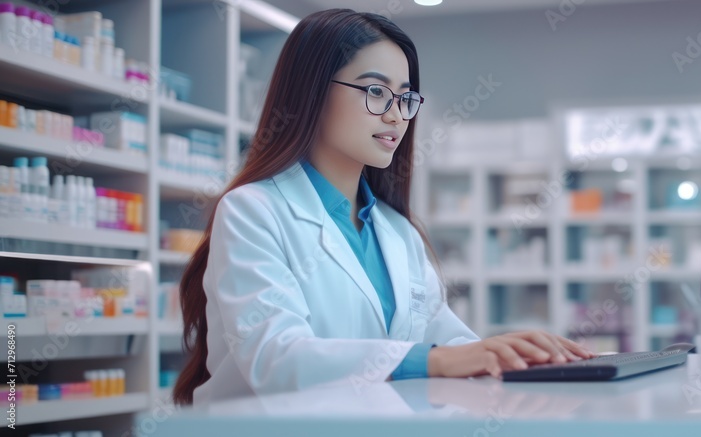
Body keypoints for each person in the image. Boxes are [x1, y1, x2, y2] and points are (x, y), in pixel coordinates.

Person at [172, 9, 595, 405]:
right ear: (313, 92)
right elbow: (276, 359)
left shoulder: (396, 230)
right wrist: (437, 360)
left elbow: (446, 339)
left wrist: (515, 355)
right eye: (376, 91)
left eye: (406, 97)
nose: (396, 115)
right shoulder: (252, 211)